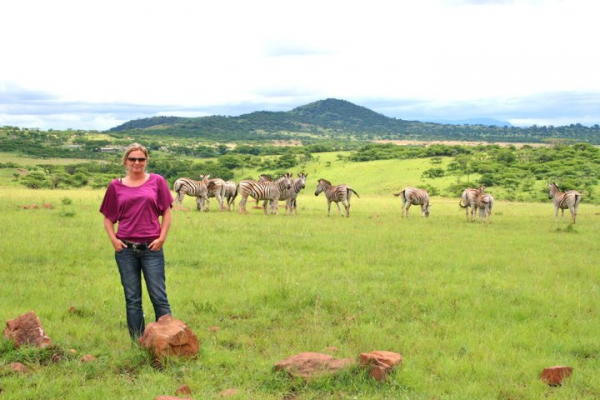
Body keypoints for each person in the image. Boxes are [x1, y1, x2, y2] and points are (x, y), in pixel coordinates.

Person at [100, 143, 174, 340]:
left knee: (159, 297)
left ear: (146, 161)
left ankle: (168, 341)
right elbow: (108, 217)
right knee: (133, 299)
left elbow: (166, 211)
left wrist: (162, 238)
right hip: (126, 249)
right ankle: (138, 343)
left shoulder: (157, 181)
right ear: (125, 161)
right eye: (132, 159)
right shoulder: (115, 186)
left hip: (152, 248)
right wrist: (114, 241)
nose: (137, 163)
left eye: (141, 159)